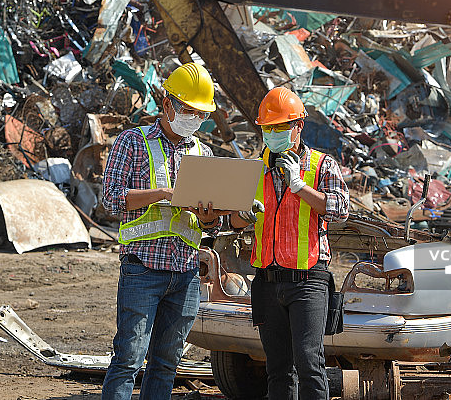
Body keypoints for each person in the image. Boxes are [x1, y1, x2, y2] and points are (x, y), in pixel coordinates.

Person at [100, 62, 231, 400]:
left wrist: (209, 217)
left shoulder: (203, 152)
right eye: (188, 110)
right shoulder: (133, 141)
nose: (194, 119)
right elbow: (112, 201)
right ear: (167, 103)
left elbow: (210, 225)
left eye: (201, 115)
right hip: (142, 268)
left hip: (185, 271)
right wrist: (162, 195)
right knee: (129, 358)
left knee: (167, 362)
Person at [232, 86, 349, 400]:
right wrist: (244, 215)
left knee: (309, 362)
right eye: (268, 128)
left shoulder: (322, 166)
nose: (273, 133)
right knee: (278, 369)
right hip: (268, 281)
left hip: (308, 280)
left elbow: (339, 210)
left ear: (299, 126)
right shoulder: (256, 169)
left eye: (281, 127)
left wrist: (300, 187)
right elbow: (232, 222)